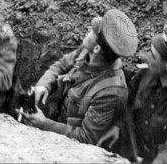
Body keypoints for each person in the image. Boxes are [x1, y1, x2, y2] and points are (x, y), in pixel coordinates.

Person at [18, 9, 138, 147]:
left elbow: (87, 138)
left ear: (97, 48)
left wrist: (44, 124)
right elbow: (61, 65)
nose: (88, 30)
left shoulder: (111, 92)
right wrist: (44, 85)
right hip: (61, 121)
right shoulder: (89, 50)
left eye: (92, 32)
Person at [99, 24, 167, 164]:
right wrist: (118, 127)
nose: (146, 57)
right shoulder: (147, 74)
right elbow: (128, 106)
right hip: (145, 156)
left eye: (153, 56)